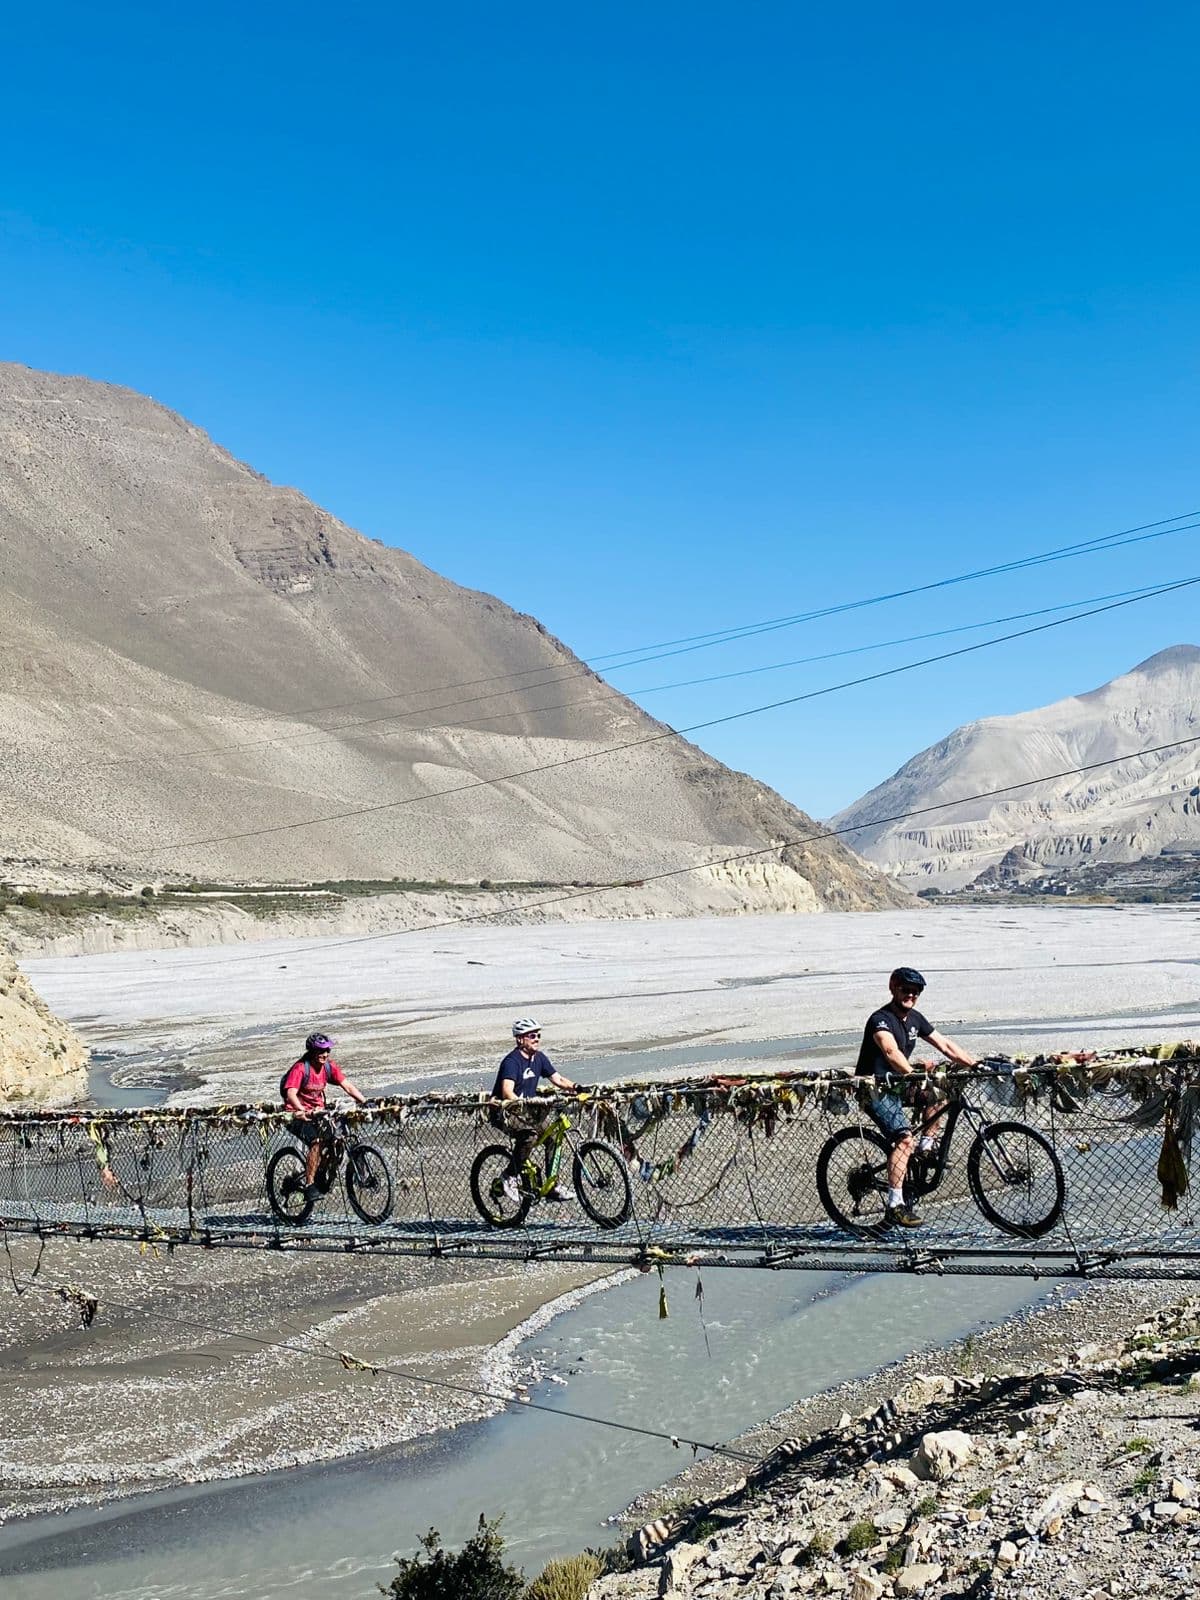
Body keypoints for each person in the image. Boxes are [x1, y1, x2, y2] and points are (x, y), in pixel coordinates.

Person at [855, 967, 978, 1229]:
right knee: (903, 1140)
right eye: (905, 990)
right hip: (875, 1088)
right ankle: (895, 1206)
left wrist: (974, 1064)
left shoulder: (915, 1019)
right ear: (893, 988)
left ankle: (926, 1147)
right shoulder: (881, 1019)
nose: (910, 995)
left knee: (942, 1092)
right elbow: (889, 1050)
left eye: (915, 992)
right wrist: (912, 1073)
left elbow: (945, 1045)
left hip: (899, 1085)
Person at [490, 1018, 578, 1204]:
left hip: (527, 1112)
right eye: (532, 1035)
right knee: (529, 1136)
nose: (537, 1038)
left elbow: (558, 1079)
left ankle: (552, 1186)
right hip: (506, 1112)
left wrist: (577, 1088)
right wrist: (521, 1104)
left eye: (538, 1035)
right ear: (520, 1039)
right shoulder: (512, 1062)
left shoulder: (539, 1058)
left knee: (554, 1135)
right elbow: (507, 1091)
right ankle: (509, 1177)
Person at [281, 1032, 369, 1202]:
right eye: (321, 1051)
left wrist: (364, 1102)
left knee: (335, 1140)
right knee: (317, 1142)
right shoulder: (300, 1068)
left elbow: (348, 1086)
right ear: (312, 1052)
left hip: (319, 1113)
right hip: (297, 1115)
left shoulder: (328, 1067)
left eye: (327, 1050)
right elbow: (291, 1093)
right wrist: (302, 1110)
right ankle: (309, 1185)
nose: (325, 1054)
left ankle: (320, 1171)